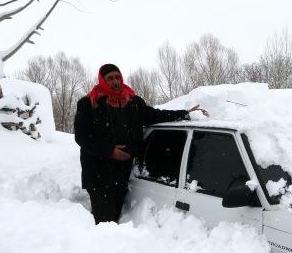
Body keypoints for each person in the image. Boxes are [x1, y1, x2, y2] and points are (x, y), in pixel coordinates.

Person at [74, 63, 208, 224]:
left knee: (114, 214)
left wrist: (185, 113)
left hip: (123, 171)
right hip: (99, 172)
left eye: (117, 77)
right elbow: (82, 137)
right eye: (110, 78)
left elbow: (155, 115)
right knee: (104, 220)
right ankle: (100, 245)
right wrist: (109, 151)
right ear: (102, 80)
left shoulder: (133, 102)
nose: (115, 81)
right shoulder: (89, 103)